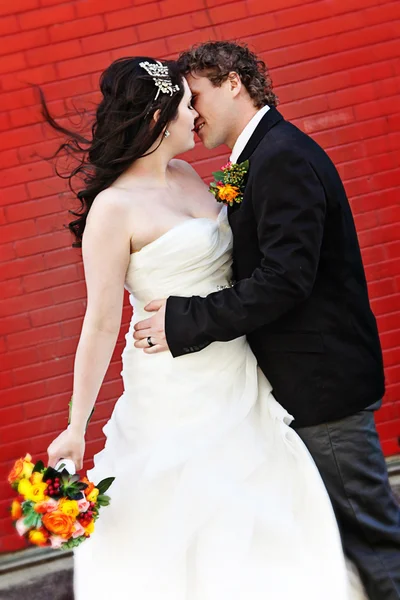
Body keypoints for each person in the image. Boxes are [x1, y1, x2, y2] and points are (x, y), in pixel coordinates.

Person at [45, 56, 367, 600]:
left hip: (241, 374)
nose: (195, 113)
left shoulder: (191, 176)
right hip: (174, 393)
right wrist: (76, 427)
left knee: (266, 519)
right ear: (156, 119)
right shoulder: (113, 209)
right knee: (191, 523)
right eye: (184, 105)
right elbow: (100, 323)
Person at [132, 42, 400, 600]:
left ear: (233, 82)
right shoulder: (260, 156)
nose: (192, 111)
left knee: (373, 541)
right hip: (299, 386)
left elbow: (285, 279)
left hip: (322, 386)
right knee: (338, 543)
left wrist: (185, 318)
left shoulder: (282, 157)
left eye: (196, 95)